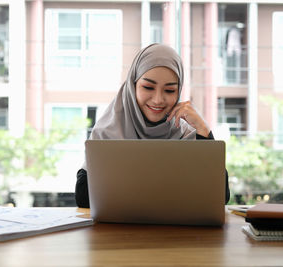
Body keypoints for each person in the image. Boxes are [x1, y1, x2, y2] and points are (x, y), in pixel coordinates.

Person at [75, 43, 230, 208]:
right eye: (148, 87)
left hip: (177, 233)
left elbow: (220, 196)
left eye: (169, 90)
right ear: (132, 86)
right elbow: (83, 197)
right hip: (119, 232)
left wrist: (203, 130)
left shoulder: (186, 134)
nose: (158, 100)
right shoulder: (108, 131)